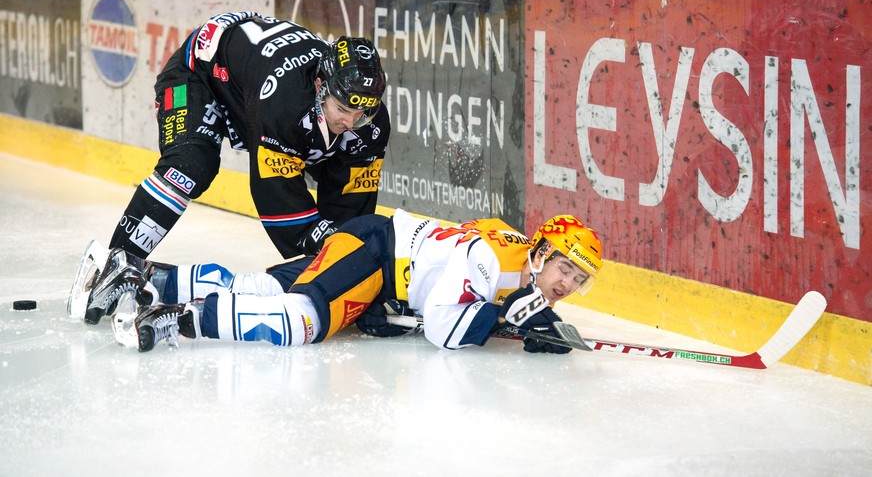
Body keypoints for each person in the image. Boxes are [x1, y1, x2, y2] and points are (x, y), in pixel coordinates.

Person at [81, 210, 603, 355]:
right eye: (564, 268)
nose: (567, 283)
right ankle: (182, 321)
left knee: (268, 290)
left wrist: (539, 323)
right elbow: (444, 328)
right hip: (375, 257)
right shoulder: (495, 257)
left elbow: (507, 303)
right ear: (539, 252)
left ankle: (146, 278)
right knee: (303, 320)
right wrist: (501, 320)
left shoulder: (518, 260)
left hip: (373, 245)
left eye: (577, 279)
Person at [108, 10, 390, 268]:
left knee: (348, 152)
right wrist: (315, 243)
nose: (351, 122)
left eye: (362, 111)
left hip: (249, 76)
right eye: (342, 109)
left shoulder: (371, 120)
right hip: (199, 72)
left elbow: (350, 202)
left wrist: (348, 262)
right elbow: (274, 191)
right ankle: (117, 263)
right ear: (319, 85)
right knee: (189, 166)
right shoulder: (284, 104)